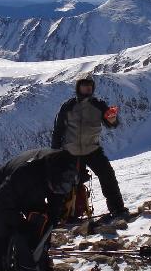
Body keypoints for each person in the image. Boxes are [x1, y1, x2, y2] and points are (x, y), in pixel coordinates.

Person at [0, 148, 79, 271]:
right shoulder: (26, 174)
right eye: (58, 187)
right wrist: (20, 224)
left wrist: (53, 216)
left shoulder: (61, 168)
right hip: (1, 190)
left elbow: (57, 195)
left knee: (42, 226)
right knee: (1, 237)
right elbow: (2, 204)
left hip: (34, 188)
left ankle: (41, 270)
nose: (60, 190)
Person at [51, 76, 129, 218]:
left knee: (107, 176)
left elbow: (112, 122)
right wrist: (55, 153)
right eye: (84, 85)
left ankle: (117, 208)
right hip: (71, 151)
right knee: (67, 182)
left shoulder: (99, 104)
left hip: (92, 149)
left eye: (90, 85)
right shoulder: (67, 106)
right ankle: (63, 214)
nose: (88, 88)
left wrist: (113, 120)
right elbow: (58, 130)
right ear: (78, 87)